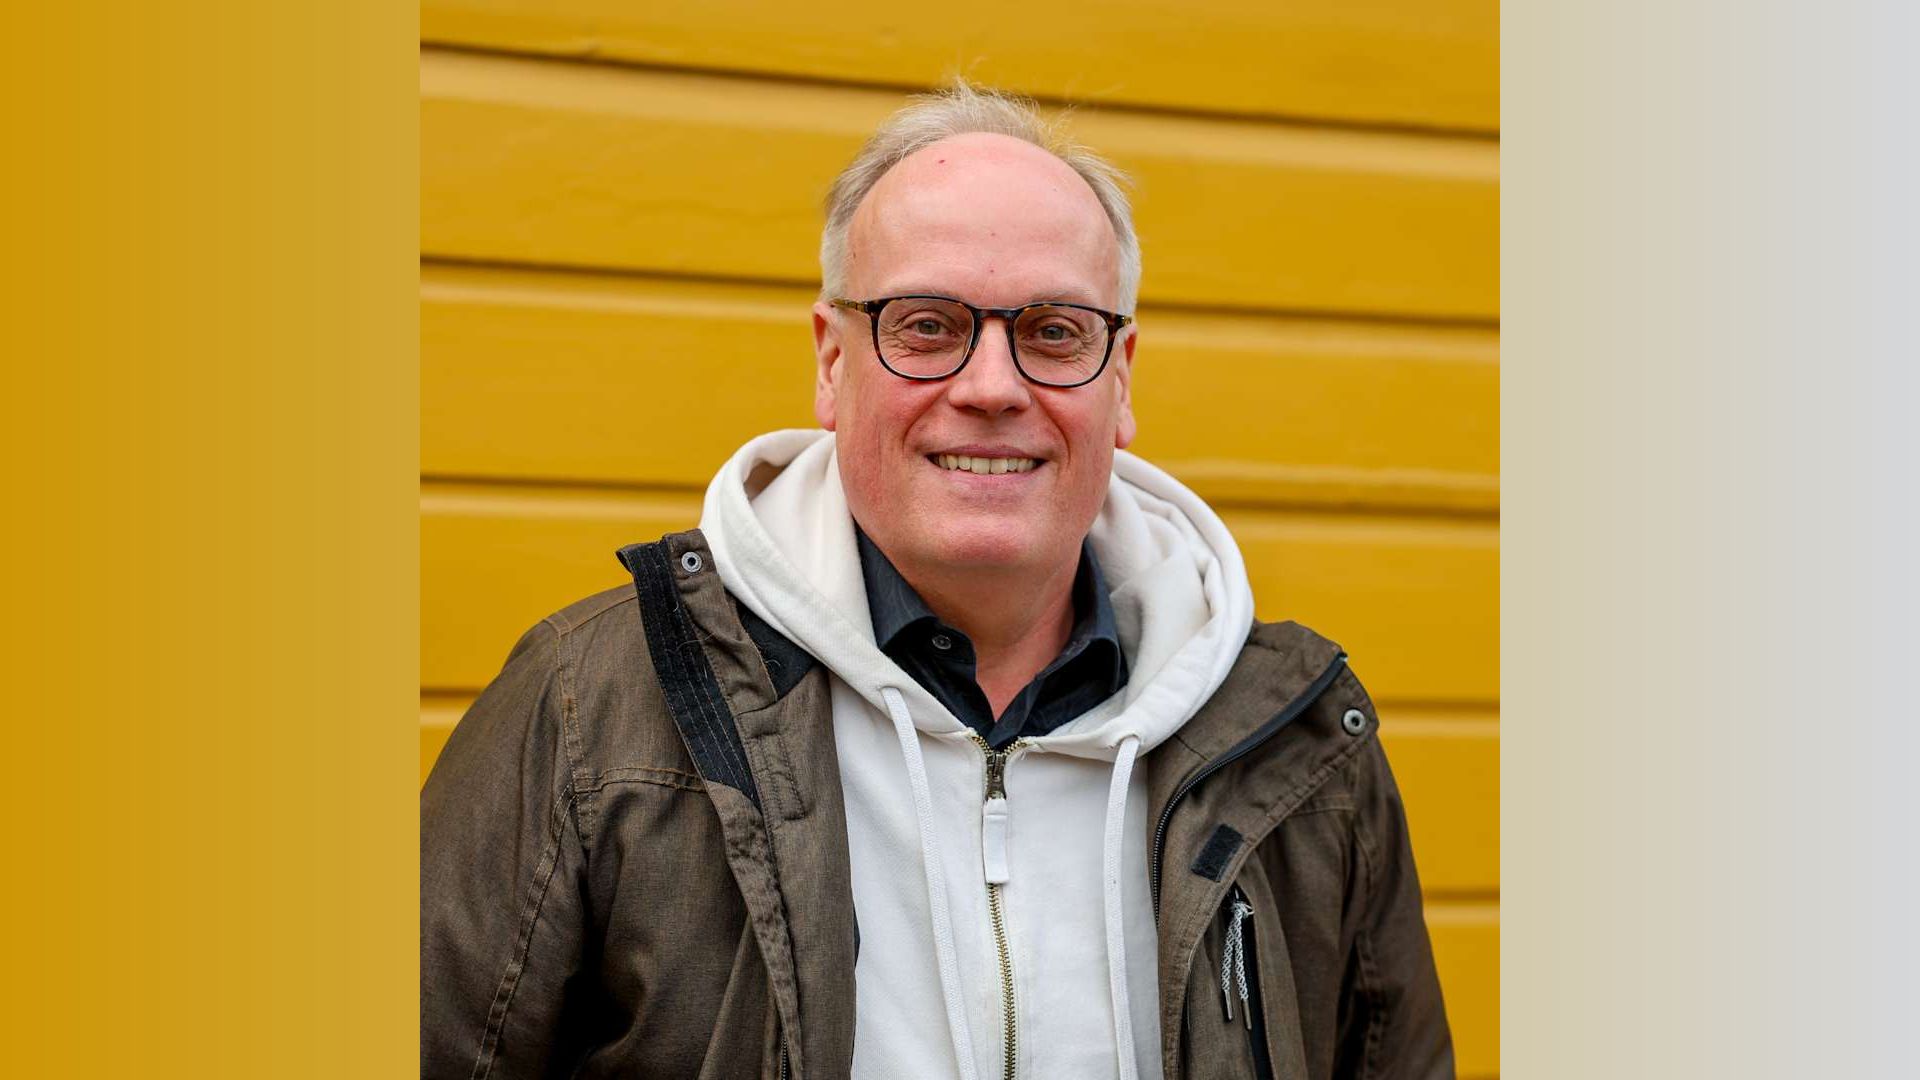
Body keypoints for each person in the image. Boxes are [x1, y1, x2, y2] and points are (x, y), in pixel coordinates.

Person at [421, 82, 1454, 1080]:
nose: (992, 387)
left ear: (1122, 376)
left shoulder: (1296, 745)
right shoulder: (593, 711)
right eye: (926, 325)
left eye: (1055, 331)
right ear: (832, 362)